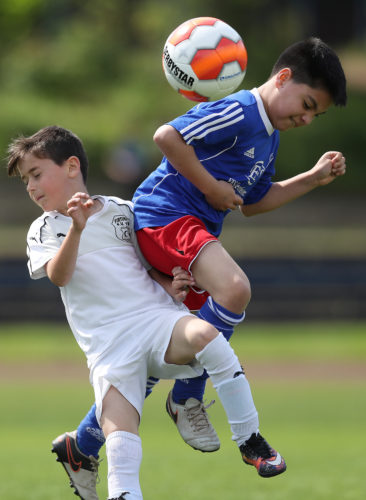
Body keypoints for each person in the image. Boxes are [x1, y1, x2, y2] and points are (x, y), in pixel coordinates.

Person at [70, 36, 348, 482]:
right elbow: (167, 137)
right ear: (282, 78)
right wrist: (211, 188)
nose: (308, 117)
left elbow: (254, 202)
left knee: (166, 351)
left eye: (317, 114)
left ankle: (82, 444)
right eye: (308, 103)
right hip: (165, 217)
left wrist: (311, 179)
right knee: (235, 289)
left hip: (189, 235)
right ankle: (189, 396)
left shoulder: (270, 138)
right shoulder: (241, 110)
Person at [7, 126, 286, 500]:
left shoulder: (123, 211)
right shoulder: (44, 229)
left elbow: (146, 265)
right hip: (109, 347)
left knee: (209, 338)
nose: (30, 186)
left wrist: (170, 283)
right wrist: (76, 229)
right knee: (122, 442)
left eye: (36, 174)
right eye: (26, 180)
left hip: (154, 321)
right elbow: (60, 275)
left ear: (71, 166)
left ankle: (249, 439)